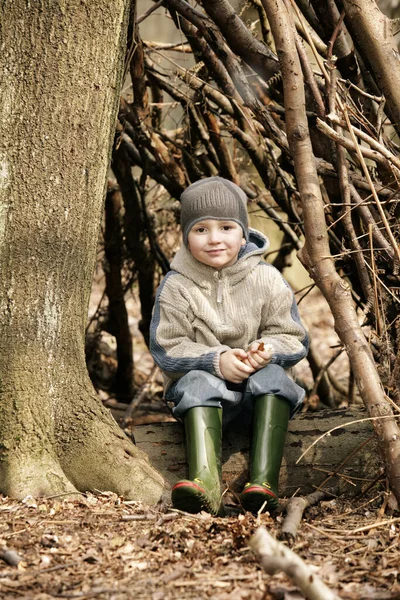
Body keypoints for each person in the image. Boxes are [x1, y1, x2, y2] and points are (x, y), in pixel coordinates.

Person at [150, 177, 309, 515]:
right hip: (203, 403)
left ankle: (264, 482)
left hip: (260, 400)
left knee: (274, 377)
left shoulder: (265, 278)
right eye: (201, 230)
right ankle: (205, 483)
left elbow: (292, 336)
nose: (215, 239)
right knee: (196, 381)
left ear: (243, 233)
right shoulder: (177, 286)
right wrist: (215, 360)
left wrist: (266, 350)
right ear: (185, 236)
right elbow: (168, 346)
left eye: (225, 227)